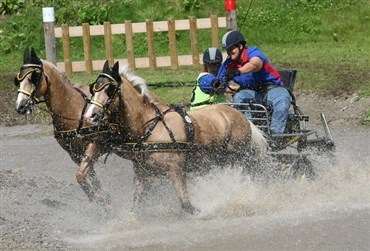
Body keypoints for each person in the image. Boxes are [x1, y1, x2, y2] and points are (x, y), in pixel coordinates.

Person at [217, 30, 291, 134]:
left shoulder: (253, 52)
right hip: (252, 93)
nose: (229, 52)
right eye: (227, 50)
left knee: (282, 100)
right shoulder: (228, 64)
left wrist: (238, 71)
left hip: (273, 89)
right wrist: (218, 85)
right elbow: (219, 83)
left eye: (231, 49)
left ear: (240, 46)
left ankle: (275, 134)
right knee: (238, 97)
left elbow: (255, 64)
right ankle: (250, 133)